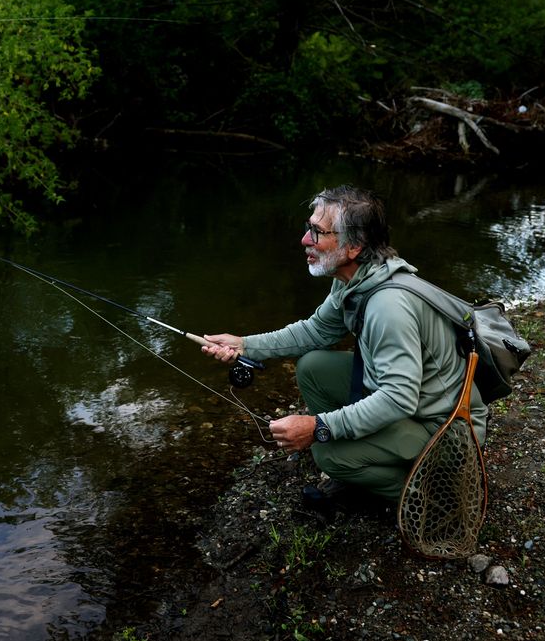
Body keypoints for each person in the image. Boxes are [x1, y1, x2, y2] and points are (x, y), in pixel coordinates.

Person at [201, 184, 487, 511]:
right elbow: (316, 331)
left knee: (327, 451)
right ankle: (368, 470)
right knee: (313, 368)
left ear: (353, 246)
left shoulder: (388, 307)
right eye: (309, 228)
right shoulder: (353, 279)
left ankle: (434, 500)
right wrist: (245, 345)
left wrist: (320, 427)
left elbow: (399, 398)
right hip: (415, 408)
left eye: (317, 232)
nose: (305, 240)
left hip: (447, 431)